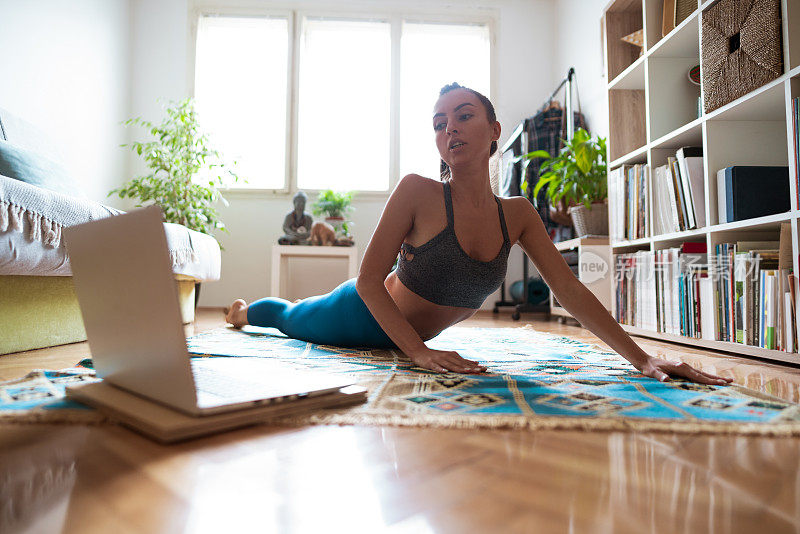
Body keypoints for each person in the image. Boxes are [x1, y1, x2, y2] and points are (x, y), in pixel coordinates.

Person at [226, 83, 731, 386]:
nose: (451, 129)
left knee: (292, 315)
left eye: (464, 116)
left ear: (494, 130)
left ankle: (253, 311)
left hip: (410, 334)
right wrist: (418, 354)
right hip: (362, 315)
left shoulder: (519, 215)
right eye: (440, 122)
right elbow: (367, 280)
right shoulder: (417, 192)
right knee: (290, 317)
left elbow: (572, 290)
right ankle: (243, 312)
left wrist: (643, 358)